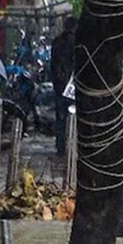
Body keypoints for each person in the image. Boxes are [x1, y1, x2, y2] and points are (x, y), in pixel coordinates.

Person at [50, 16, 76, 156]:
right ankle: (71, 144)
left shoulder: (57, 42)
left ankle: (61, 146)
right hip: (73, 86)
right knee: (72, 116)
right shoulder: (78, 43)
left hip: (60, 86)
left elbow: (53, 65)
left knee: (61, 117)